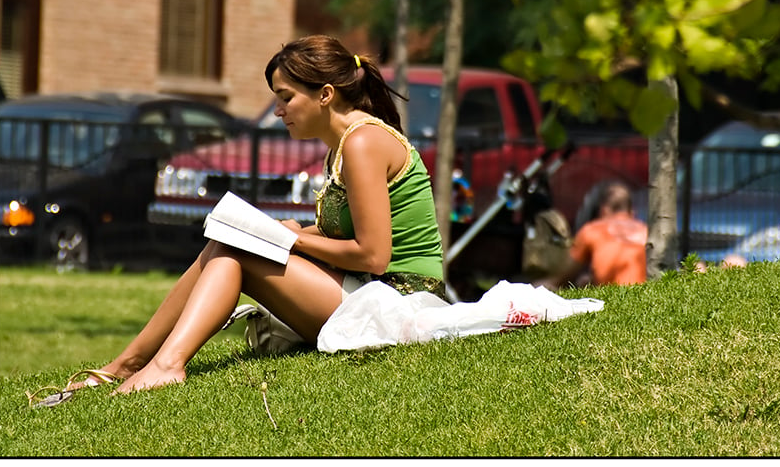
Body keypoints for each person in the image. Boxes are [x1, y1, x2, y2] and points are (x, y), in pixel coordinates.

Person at [66, 35, 445, 395]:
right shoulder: (344, 144)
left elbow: (374, 255)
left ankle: (162, 366)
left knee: (239, 253)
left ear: (325, 95)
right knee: (226, 242)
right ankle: (128, 364)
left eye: (286, 98)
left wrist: (293, 241)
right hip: (369, 292)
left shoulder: (363, 143)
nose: (278, 111)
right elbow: (350, 230)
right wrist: (296, 231)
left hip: (399, 303)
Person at [539, 181, 647, 289]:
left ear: (604, 210)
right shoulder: (647, 231)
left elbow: (563, 278)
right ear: (632, 212)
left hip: (612, 296)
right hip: (643, 294)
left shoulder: (593, 230)